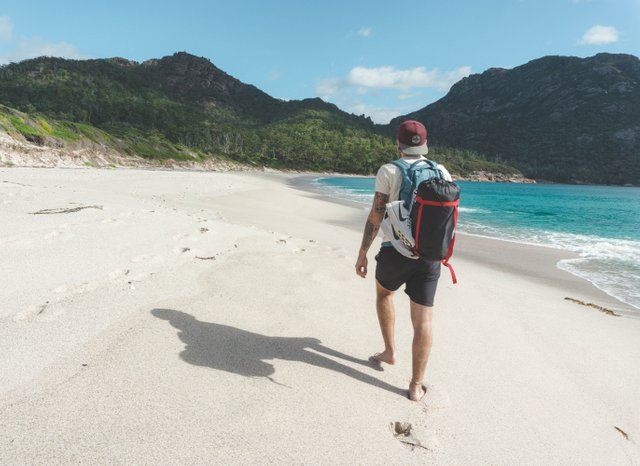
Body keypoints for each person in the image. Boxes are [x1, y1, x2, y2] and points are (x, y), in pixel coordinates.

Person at [355, 120, 452, 402]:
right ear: (425, 144)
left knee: (384, 294)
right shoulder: (441, 170)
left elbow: (376, 215)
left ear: (398, 143)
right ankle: (416, 385)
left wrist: (362, 252)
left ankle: (389, 351)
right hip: (430, 254)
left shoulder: (389, 170)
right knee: (423, 318)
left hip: (395, 251)